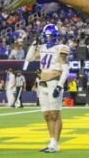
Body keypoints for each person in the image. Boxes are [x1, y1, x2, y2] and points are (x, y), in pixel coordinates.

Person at [26, 25, 69, 153]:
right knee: (47, 115)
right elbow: (29, 58)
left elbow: (66, 69)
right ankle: (51, 142)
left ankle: (56, 143)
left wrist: (60, 85)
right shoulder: (43, 47)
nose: (50, 38)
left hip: (54, 83)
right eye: (48, 35)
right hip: (42, 84)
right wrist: (34, 43)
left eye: (52, 35)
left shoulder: (61, 48)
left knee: (55, 114)